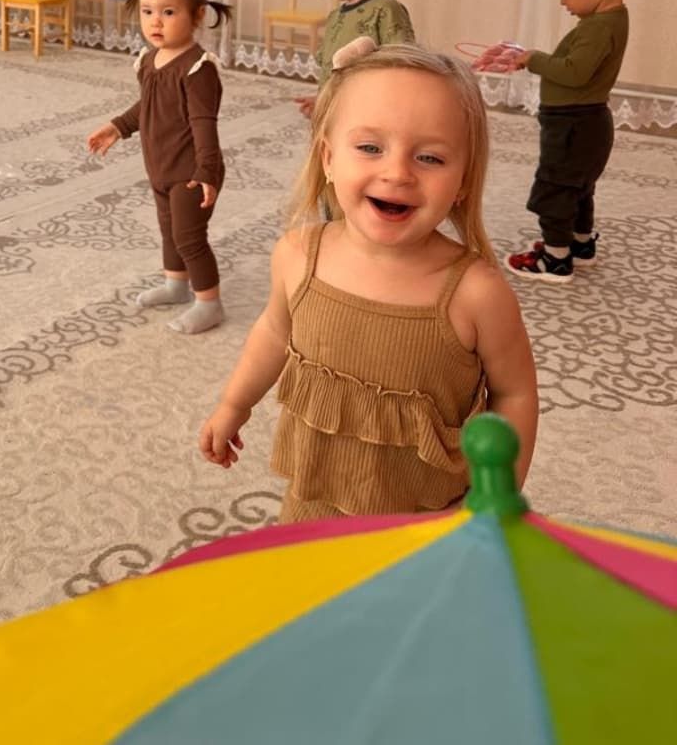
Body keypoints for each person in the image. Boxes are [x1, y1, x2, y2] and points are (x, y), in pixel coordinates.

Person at [199, 42, 538, 521]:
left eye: (430, 158)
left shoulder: (476, 293)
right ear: (328, 158)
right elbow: (274, 333)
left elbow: (515, 394)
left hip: (430, 518)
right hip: (314, 501)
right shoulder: (298, 255)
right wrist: (234, 403)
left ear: (464, 179)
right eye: (370, 148)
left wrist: (497, 498)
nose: (397, 173)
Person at [87, 0, 233, 335]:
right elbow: (149, 106)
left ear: (197, 15)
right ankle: (176, 285)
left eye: (168, 12)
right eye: (148, 11)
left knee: (189, 237)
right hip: (161, 166)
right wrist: (118, 127)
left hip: (191, 172)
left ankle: (210, 303)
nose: (155, 21)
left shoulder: (198, 69)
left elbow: (204, 125)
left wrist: (207, 171)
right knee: (169, 230)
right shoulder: (151, 61)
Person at [504, 0, 630, 283]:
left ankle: (556, 259)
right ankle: (581, 244)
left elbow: (575, 73)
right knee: (580, 188)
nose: (562, 1)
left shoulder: (597, 29)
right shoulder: (613, 19)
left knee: (555, 187)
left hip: (573, 124)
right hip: (589, 121)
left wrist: (534, 59)